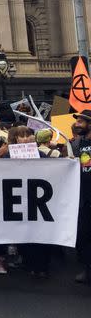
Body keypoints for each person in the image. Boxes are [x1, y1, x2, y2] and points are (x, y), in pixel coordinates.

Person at [72, 109, 91, 285]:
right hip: (84, 199)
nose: (77, 124)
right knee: (84, 236)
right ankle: (87, 269)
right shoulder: (77, 144)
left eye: (81, 121)